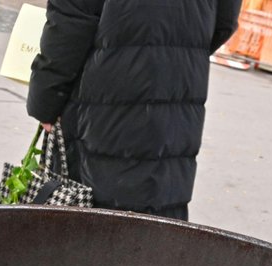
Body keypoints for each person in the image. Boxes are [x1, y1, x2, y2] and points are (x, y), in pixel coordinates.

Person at [27, 0, 242, 221]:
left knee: (91, 222)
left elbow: (69, 25)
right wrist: (179, 51)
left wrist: (45, 104)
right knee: (160, 218)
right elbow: (224, 21)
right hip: (177, 92)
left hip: (102, 101)